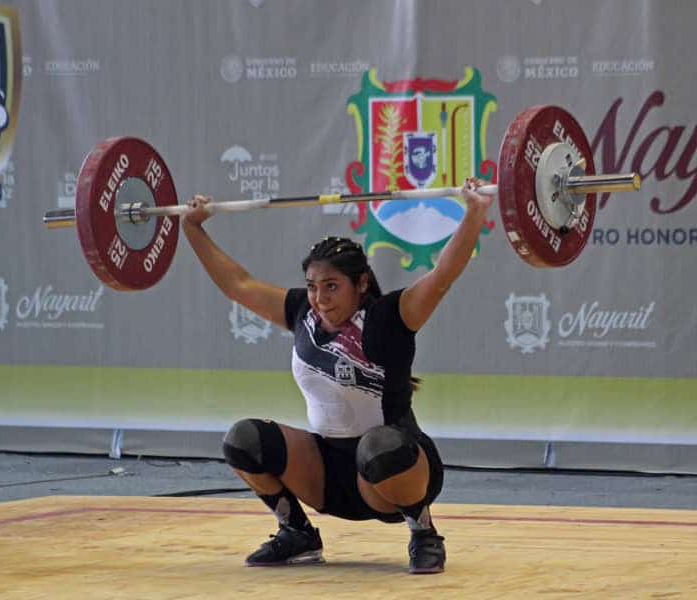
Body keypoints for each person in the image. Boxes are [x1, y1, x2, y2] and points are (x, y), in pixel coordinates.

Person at [182, 177, 493, 574]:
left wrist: (475, 212)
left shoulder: (390, 319)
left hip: (396, 470)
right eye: (312, 286)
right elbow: (239, 284)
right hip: (327, 473)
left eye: (331, 287)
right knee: (244, 439)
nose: (320, 299)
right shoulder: (302, 313)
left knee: (377, 445)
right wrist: (193, 228)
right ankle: (297, 533)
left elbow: (443, 275)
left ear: (361, 284)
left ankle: (423, 532)